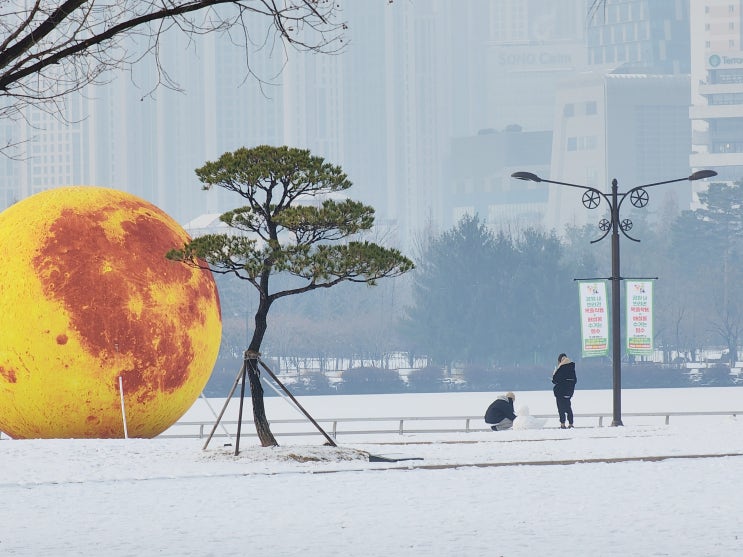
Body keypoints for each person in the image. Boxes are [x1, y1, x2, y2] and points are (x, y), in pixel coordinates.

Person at [552, 353, 577, 429]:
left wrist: (554, 374)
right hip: (569, 392)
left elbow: (555, 379)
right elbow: (574, 380)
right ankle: (571, 423)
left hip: (560, 392)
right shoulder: (571, 368)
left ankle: (562, 424)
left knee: (561, 408)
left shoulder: (561, 368)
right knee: (568, 407)